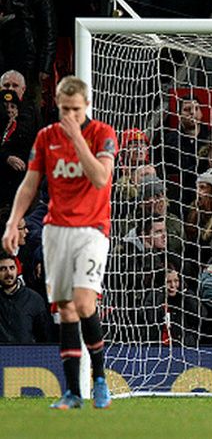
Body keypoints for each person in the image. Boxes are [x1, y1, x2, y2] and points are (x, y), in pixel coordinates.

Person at [2, 76, 118, 409]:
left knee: (84, 303)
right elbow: (29, 184)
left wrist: (77, 138)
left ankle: (98, 379)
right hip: (56, 231)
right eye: (65, 109)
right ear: (57, 104)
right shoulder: (45, 137)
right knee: (65, 309)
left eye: (76, 110)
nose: (70, 115)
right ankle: (72, 391)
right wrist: (13, 222)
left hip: (92, 230)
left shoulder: (102, 134)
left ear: (87, 106)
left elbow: (100, 178)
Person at [0, 250, 53, 343]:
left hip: (25, 355)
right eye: (3, 269)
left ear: (17, 269)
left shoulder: (34, 299)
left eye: (12, 268)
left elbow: (44, 337)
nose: (9, 273)